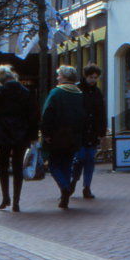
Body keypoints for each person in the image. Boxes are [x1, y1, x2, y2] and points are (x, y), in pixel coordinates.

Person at [0, 66, 36, 211]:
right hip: (21, 132)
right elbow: (32, 116)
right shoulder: (26, 92)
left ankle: (5, 197)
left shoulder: (0, 91)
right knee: (18, 167)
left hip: (2, 132)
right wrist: (33, 136)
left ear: (0, 80)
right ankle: (17, 201)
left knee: (2, 166)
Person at [41, 65, 84, 209]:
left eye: (59, 75)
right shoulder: (79, 94)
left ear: (65, 77)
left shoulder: (56, 93)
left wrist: (46, 133)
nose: (57, 78)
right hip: (74, 137)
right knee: (67, 164)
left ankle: (64, 188)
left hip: (57, 136)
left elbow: (47, 113)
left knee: (53, 164)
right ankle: (64, 193)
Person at [70, 64, 106, 199]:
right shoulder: (77, 89)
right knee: (80, 158)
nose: (93, 80)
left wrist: (102, 132)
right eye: (91, 77)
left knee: (90, 159)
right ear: (86, 76)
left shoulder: (97, 92)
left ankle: (86, 187)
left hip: (93, 131)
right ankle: (73, 182)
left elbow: (101, 112)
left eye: (95, 78)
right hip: (80, 131)